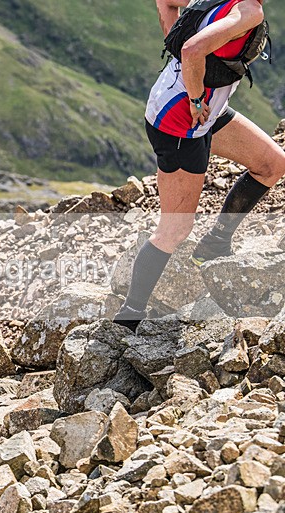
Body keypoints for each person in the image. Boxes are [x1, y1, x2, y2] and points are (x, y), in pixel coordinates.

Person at [114, 0, 284, 331]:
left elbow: (166, 2)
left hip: (199, 111)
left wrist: (178, 59)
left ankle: (215, 244)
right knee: (175, 228)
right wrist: (194, 97)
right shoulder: (251, 10)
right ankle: (129, 317)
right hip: (181, 120)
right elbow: (193, 50)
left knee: (272, 164)